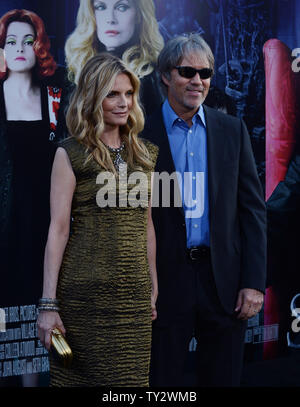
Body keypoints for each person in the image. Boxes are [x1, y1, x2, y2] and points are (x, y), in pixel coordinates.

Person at [142, 33, 266, 386]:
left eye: (205, 73)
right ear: (166, 75)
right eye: (187, 71)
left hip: (223, 285)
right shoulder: (139, 135)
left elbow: (252, 211)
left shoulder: (232, 129)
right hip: (164, 286)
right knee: (160, 384)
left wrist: (254, 283)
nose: (198, 81)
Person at [37, 53, 158, 387]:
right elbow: (58, 230)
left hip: (134, 300)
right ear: (92, 97)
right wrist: (48, 304)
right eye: (112, 94)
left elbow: (145, 225)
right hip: (83, 298)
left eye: (129, 94)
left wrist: (153, 283)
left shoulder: (146, 155)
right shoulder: (71, 153)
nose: (123, 103)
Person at [0, 9, 64, 385]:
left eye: (28, 40)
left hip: (45, 224)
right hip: (4, 227)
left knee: (36, 314)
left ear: (39, 45)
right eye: (10, 42)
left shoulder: (55, 96)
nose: (20, 48)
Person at [64, 0, 164, 115]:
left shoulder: (152, 75)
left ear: (139, 15)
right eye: (101, 7)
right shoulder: (76, 70)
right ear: (90, 13)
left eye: (121, 7)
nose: (111, 19)